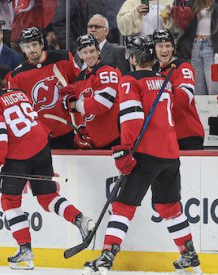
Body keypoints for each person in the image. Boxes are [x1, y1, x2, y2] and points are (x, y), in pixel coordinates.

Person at [83, 36, 201, 274]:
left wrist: (125, 149)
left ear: (134, 57)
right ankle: (188, 255)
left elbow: (132, 117)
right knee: (170, 207)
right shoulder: (164, 82)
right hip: (170, 155)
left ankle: (106, 258)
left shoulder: (128, 81)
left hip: (145, 154)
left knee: (123, 206)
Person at [0, 63, 94, 270]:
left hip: (18, 155)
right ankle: (80, 219)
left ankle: (25, 251)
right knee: (47, 197)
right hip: (41, 147)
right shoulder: (18, 93)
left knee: (10, 201)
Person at [8, 27, 81, 149]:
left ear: (42, 44)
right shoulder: (16, 76)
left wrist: (72, 90)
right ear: (22, 49)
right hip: (40, 136)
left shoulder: (63, 58)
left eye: (34, 44)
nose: (31, 49)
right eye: (27, 46)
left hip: (69, 128)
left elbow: (82, 83)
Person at [63, 34, 121, 149]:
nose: (89, 56)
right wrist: (83, 130)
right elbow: (84, 115)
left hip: (115, 140)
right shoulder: (81, 77)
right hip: (96, 143)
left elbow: (102, 103)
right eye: (85, 52)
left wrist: (75, 105)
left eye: (92, 51)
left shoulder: (108, 70)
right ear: (80, 55)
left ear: (98, 51)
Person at [152, 29, 204, 150]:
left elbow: (184, 98)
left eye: (168, 46)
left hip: (187, 135)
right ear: (153, 49)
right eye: (160, 46)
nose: (164, 50)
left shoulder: (183, 66)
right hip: (165, 136)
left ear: (173, 47)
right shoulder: (152, 70)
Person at [176, 0, 218, 95]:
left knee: (214, 88)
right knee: (198, 88)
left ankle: (215, 109)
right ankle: (201, 109)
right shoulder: (193, 4)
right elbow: (183, 25)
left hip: (213, 46)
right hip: (195, 46)